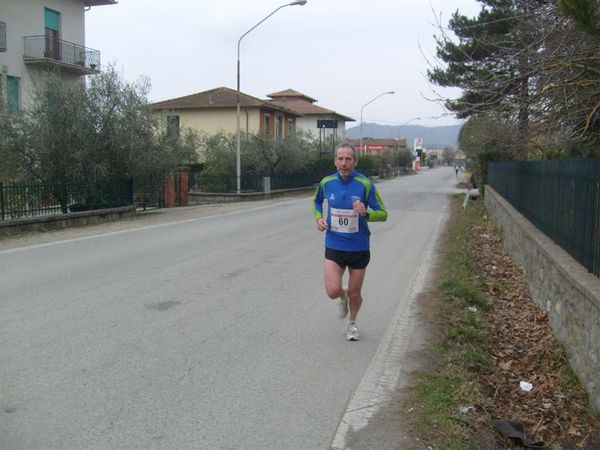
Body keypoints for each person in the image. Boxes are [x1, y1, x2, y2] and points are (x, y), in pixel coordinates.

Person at [312, 143, 388, 341]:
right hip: (334, 244)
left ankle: (352, 323)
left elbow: (383, 213)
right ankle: (342, 299)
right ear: (335, 161)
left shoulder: (365, 184)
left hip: (359, 247)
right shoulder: (327, 182)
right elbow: (316, 202)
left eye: (348, 159)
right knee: (333, 291)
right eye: (340, 159)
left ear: (355, 161)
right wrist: (319, 218)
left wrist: (367, 213)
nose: (343, 163)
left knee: (355, 292)